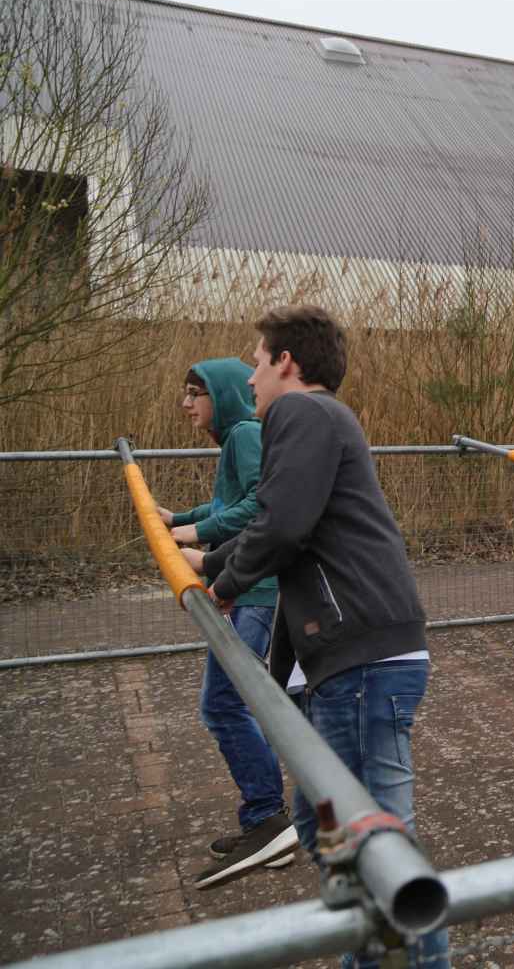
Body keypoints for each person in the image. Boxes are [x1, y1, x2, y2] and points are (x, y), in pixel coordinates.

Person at [187, 305, 447, 966]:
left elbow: (281, 527)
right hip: (356, 653)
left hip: (363, 651)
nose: (248, 380)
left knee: (378, 838)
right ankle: (365, 950)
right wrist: (214, 565)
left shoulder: (300, 414)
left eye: (255, 360)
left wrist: (221, 585)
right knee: (320, 821)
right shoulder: (323, 419)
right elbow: (279, 519)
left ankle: (419, 957)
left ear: (286, 362)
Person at [159, 358, 296, 888]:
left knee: (223, 703)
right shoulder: (236, 437)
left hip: (255, 591)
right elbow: (227, 503)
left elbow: (260, 507)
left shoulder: (243, 432)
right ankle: (265, 816)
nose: (187, 404)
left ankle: (268, 816)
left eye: (196, 393)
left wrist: (195, 537)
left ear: (221, 394)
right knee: (229, 702)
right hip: (246, 587)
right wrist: (181, 519)